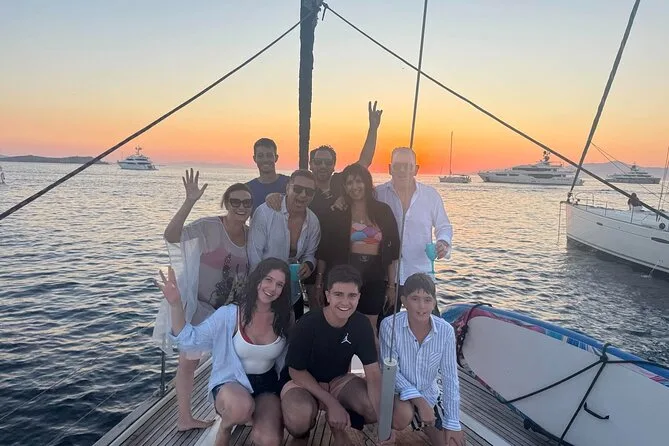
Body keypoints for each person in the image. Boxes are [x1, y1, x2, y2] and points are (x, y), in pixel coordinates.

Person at [157, 258, 293, 446]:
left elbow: (290, 357)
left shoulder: (285, 318)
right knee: (240, 407)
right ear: (257, 280)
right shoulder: (229, 315)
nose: (272, 288)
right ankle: (225, 428)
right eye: (268, 280)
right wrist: (175, 304)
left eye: (279, 284)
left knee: (270, 440)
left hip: (266, 385)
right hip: (231, 383)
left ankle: (253, 414)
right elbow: (189, 339)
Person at [155, 171, 253, 431]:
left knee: (238, 359)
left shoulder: (252, 235)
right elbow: (171, 235)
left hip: (231, 312)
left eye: (247, 202)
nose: (241, 207)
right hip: (200, 307)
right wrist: (190, 201)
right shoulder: (209, 227)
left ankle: (237, 410)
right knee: (189, 362)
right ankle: (184, 418)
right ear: (226, 203)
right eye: (235, 201)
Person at [264, 101, 384, 308]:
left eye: (327, 162)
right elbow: (285, 196)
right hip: (311, 257)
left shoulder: (341, 183)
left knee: (344, 306)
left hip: (341, 256)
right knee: (317, 307)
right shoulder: (304, 188)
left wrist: (373, 128)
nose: (322, 166)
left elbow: (365, 161)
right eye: (318, 162)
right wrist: (272, 196)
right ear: (311, 164)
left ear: (334, 165)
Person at [280, 265, 386, 446]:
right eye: (338, 294)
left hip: (338, 380)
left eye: (352, 295)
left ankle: (338, 425)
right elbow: (295, 371)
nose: (345, 302)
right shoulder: (307, 324)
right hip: (303, 382)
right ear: (328, 295)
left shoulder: (361, 324)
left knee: (373, 408)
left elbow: (374, 374)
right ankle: (303, 434)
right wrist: (331, 402)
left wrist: (385, 425)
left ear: (359, 297)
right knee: (299, 419)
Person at [379, 273, 465, 446]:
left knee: (453, 443)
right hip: (399, 394)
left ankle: (424, 422)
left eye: (427, 299)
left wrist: (453, 423)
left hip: (429, 394)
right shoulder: (389, 324)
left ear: (434, 302)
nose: (421, 306)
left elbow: (450, 378)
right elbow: (389, 370)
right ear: (404, 301)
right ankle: (392, 427)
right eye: (415, 299)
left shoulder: (446, 331)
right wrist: (419, 401)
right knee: (402, 416)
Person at [316, 163, 400, 336]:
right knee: (339, 325)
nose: (354, 187)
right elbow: (324, 250)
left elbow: (392, 252)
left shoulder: (383, 211)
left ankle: (368, 355)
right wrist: (319, 283)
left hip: (374, 277)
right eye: (349, 183)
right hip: (344, 275)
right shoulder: (338, 212)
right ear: (344, 187)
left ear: (367, 183)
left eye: (358, 181)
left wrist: (391, 286)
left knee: (369, 329)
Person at [377, 147, 453, 323]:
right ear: (389, 168)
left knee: (431, 323)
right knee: (385, 323)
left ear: (416, 169)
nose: (402, 170)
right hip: (388, 275)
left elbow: (443, 225)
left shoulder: (430, 195)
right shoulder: (378, 194)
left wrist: (443, 242)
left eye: (408, 166)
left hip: (421, 272)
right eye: (398, 166)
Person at [248, 169, 320, 319]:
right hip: (263, 286)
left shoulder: (313, 221)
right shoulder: (265, 213)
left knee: (295, 327)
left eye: (309, 192)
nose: (303, 195)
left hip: (292, 288)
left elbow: (310, 254)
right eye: (298, 189)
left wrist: (308, 265)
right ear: (288, 188)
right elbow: (254, 257)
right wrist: (261, 290)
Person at [246, 138, 290, 215]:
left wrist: (281, 196)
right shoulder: (247, 189)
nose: (265, 160)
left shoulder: (289, 183)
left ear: (276, 158)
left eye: (269, 155)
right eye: (260, 156)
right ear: (254, 158)